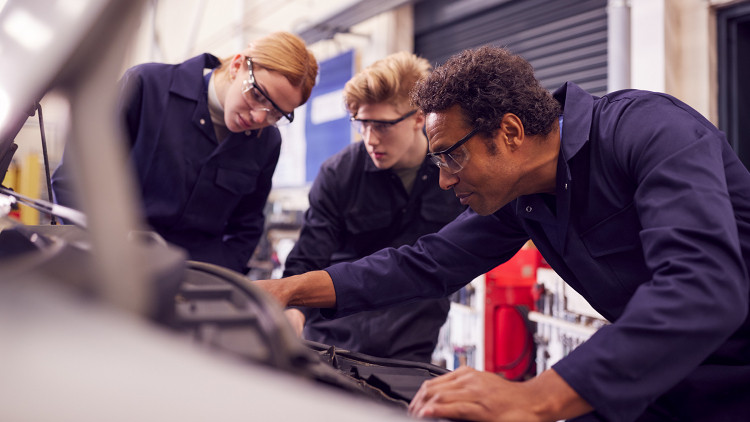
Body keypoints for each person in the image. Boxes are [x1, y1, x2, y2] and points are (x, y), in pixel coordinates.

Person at [254, 45, 750, 421]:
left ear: (510, 133)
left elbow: (702, 286)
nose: (445, 179)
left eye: (451, 155)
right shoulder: (524, 198)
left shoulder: (649, 132)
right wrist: (289, 290)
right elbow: (426, 263)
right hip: (659, 377)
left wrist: (536, 396)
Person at [51, 32, 318, 274]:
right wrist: (100, 250)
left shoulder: (266, 142)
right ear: (237, 65)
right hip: (113, 267)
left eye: (276, 113)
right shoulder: (147, 86)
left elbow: (247, 226)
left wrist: (219, 274)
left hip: (196, 282)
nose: (260, 116)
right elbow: (74, 179)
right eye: (259, 95)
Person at [282, 51, 465, 363]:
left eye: (381, 126)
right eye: (362, 125)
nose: (370, 139)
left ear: (418, 117)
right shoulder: (339, 174)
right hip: (334, 339)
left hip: (412, 343)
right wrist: (293, 313)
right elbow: (309, 256)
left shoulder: (456, 174)